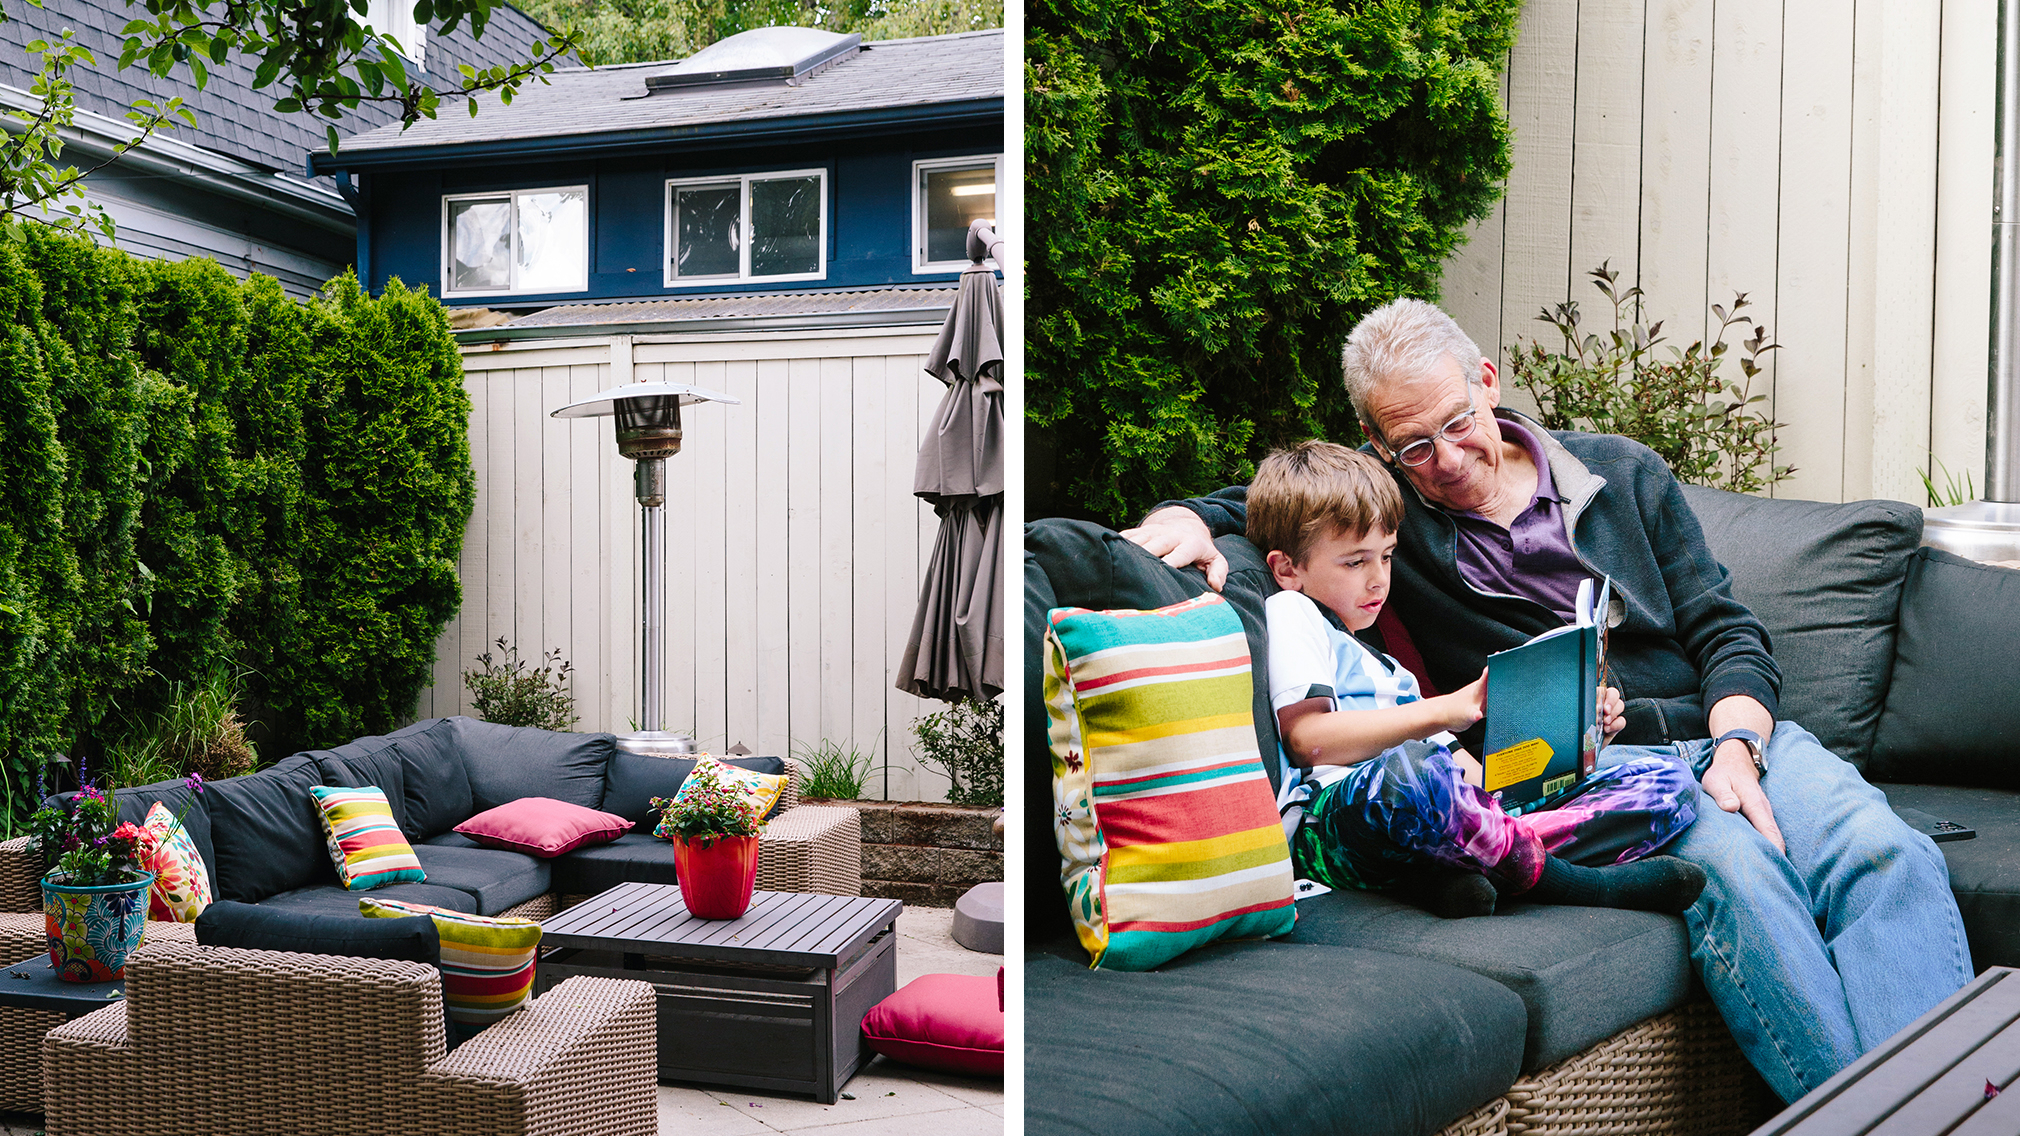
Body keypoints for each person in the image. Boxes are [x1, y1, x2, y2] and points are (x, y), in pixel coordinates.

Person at [1125, 297, 1973, 1104]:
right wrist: (1189, 519)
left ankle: (1934, 1112)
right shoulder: (1395, 524)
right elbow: (1278, 506)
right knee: (1744, 884)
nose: (1447, 461)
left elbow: (1726, 632)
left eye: (1457, 423)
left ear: (1487, 382)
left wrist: (1738, 753)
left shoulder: (1621, 473)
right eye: (1414, 446)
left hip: (1728, 733)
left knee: (1884, 855)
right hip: (1600, 772)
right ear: (1378, 445)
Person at [1249, 440, 1705, 918]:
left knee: (1665, 780)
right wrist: (1446, 709)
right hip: (1336, 825)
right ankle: (1582, 885)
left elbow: (1481, 786)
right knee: (1416, 774)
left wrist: (1581, 743)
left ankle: (1469, 866)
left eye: (1386, 557)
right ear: (1287, 569)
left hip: (1432, 818)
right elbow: (1307, 740)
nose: (1379, 579)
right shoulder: (1294, 611)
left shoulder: (1388, 669)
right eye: (1355, 561)